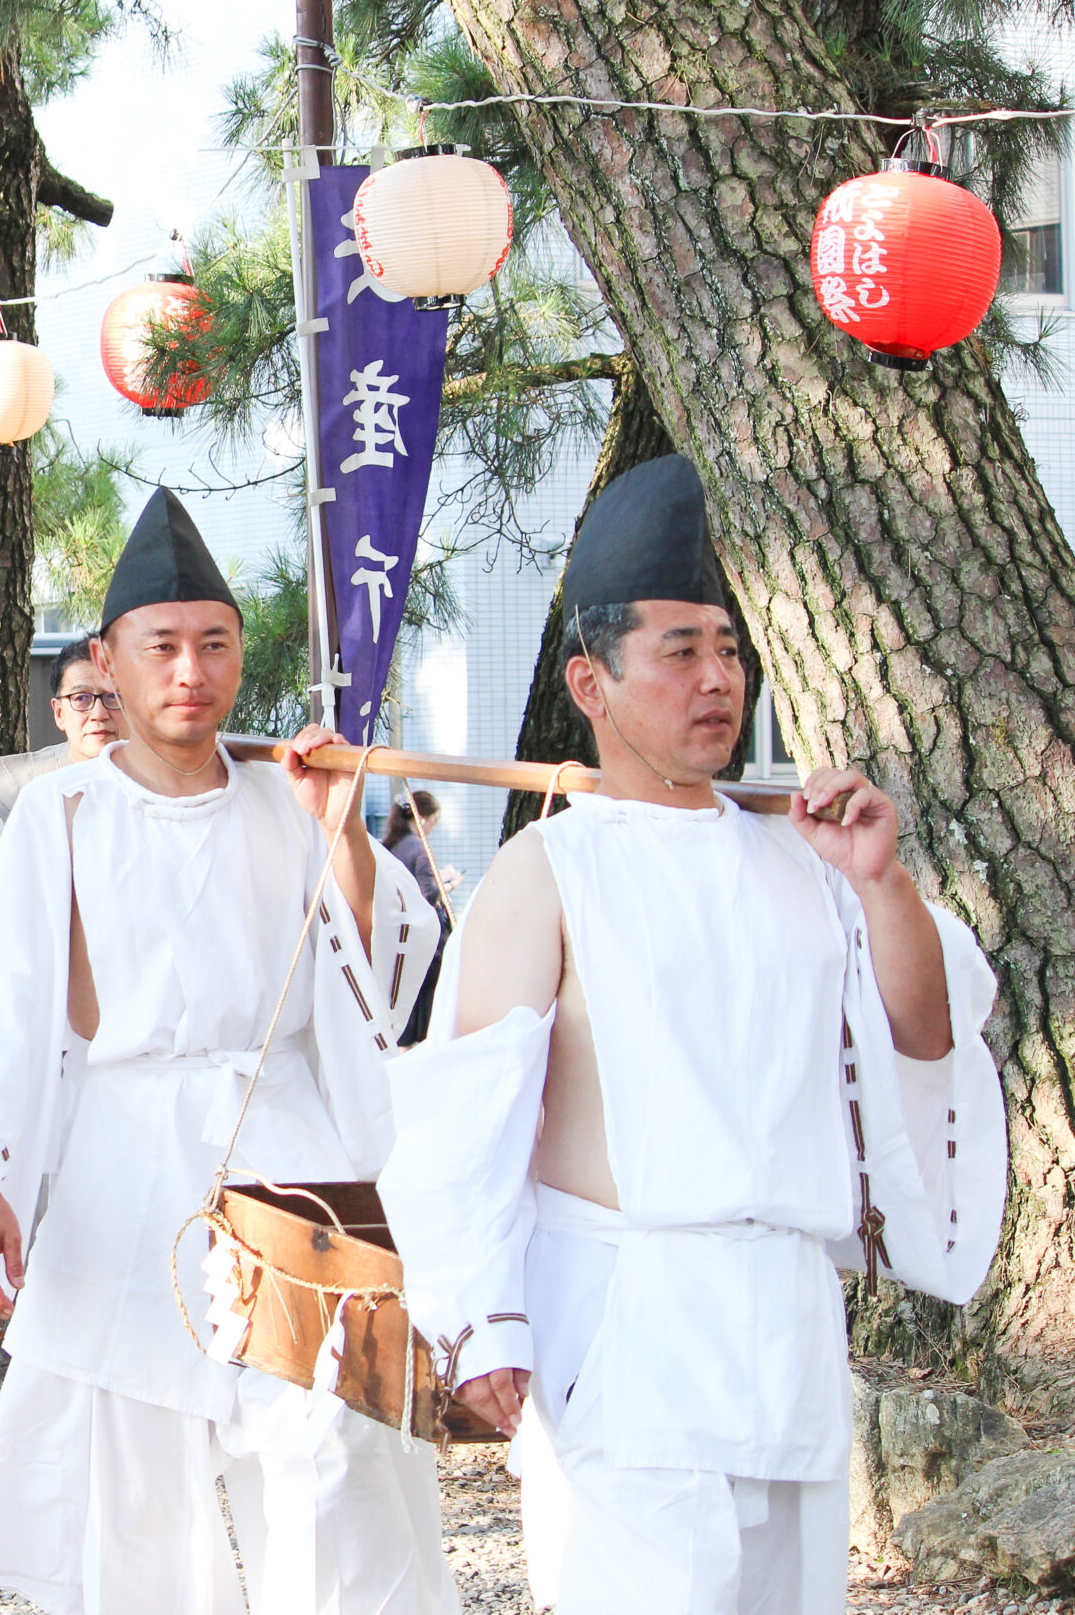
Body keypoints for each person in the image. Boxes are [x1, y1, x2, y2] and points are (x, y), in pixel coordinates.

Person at [377, 456, 1003, 1615]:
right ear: (591, 681)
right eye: (679, 652)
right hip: (626, 1328)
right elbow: (460, 1113)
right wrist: (480, 1317)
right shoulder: (547, 867)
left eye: (727, 649)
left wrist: (881, 885)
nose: (717, 680)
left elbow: (929, 1036)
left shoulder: (802, 854)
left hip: (786, 1321)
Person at [0, 489, 453, 1615]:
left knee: (334, 1447)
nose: (189, 672)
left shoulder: (284, 797)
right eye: (162, 647)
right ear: (110, 659)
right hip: (126, 1157)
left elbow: (374, 969)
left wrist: (339, 825)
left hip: (287, 1142)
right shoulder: (60, 816)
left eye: (214, 644)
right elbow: (3, 1013)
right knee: (133, 1478)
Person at [0, 633, 130, 966]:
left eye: (114, 696)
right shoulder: (18, 797)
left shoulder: (170, 796)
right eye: (81, 698)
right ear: (59, 712)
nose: (98, 712)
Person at [380, 791, 453, 1045]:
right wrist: (447, 884)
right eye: (434, 820)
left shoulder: (388, 845)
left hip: (393, 939)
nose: (433, 827)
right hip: (424, 944)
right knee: (426, 1018)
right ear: (422, 819)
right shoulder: (419, 848)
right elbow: (427, 894)